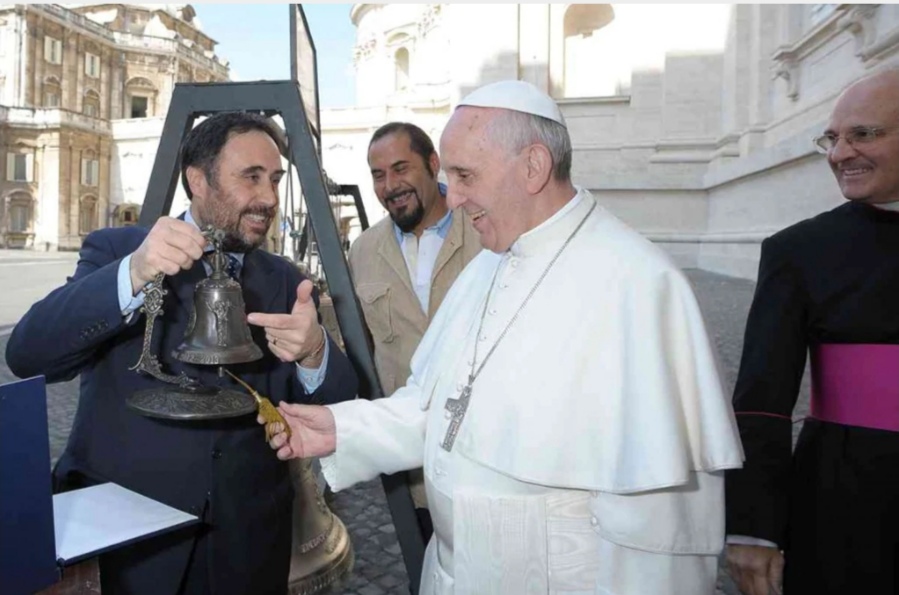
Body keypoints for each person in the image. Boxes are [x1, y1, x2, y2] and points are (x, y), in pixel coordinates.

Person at [261, 80, 744, 594]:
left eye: (466, 175)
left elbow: (660, 537)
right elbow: (439, 408)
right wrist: (343, 428)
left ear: (533, 166)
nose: (454, 196)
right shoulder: (487, 266)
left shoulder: (640, 285)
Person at [4, 112, 358, 595]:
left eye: (275, 179)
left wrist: (314, 351)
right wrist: (134, 273)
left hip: (247, 548)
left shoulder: (285, 281)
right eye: (251, 177)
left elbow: (340, 406)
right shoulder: (118, 250)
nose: (270, 198)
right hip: (126, 543)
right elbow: (28, 353)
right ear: (198, 180)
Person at [726, 69, 899, 595]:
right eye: (832, 138)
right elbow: (762, 400)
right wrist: (752, 526)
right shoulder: (798, 251)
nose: (840, 154)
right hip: (849, 500)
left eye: (863, 134)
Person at [349, 122, 480, 538]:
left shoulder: (484, 232)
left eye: (401, 168)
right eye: (378, 175)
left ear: (433, 164)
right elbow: (358, 350)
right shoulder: (362, 252)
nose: (390, 185)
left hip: (486, 460)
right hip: (414, 471)